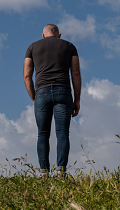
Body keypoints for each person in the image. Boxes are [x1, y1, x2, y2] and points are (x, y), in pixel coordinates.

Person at [24, 24, 81, 176]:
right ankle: (60, 170)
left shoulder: (32, 47)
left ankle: (43, 172)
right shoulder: (69, 47)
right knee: (62, 132)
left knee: (43, 133)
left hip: (41, 92)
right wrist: (77, 99)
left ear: (42, 35)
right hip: (63, 91)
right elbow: (75, 74)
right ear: (59, 35)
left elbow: (27, 75)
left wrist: (34, 97)